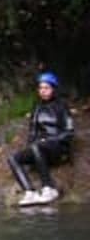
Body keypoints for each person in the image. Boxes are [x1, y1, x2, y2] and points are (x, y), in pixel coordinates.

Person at [7, 71, 74, 206]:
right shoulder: (36, 108)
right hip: (39, 149)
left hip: (58, 149)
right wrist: (31, 148)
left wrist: (50, 141)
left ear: (53, 89)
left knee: (37, 146)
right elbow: (32, 133)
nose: (42, 91)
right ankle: (30, 192)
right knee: (13, 158)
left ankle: (49, 188)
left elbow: (69, 132)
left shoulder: (62, 107)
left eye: (46, 88)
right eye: (40, 88)